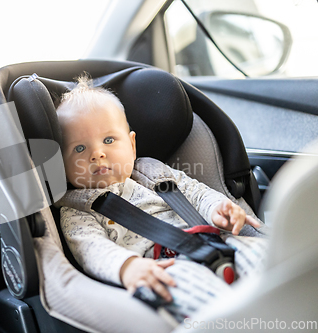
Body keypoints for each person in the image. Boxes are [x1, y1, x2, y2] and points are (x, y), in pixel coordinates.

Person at [55, 76, 267, 320]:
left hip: (214, 240)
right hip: (163, 266)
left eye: (109, 140)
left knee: (267, 257)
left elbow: (195, 192)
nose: (97, 153)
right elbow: (92, 250)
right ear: (62, 163)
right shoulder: (78, 209)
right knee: (211, 303)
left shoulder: (154, 172)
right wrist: (127, 267)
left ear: (132, 145)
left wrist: (216, 207)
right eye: (79, 148)